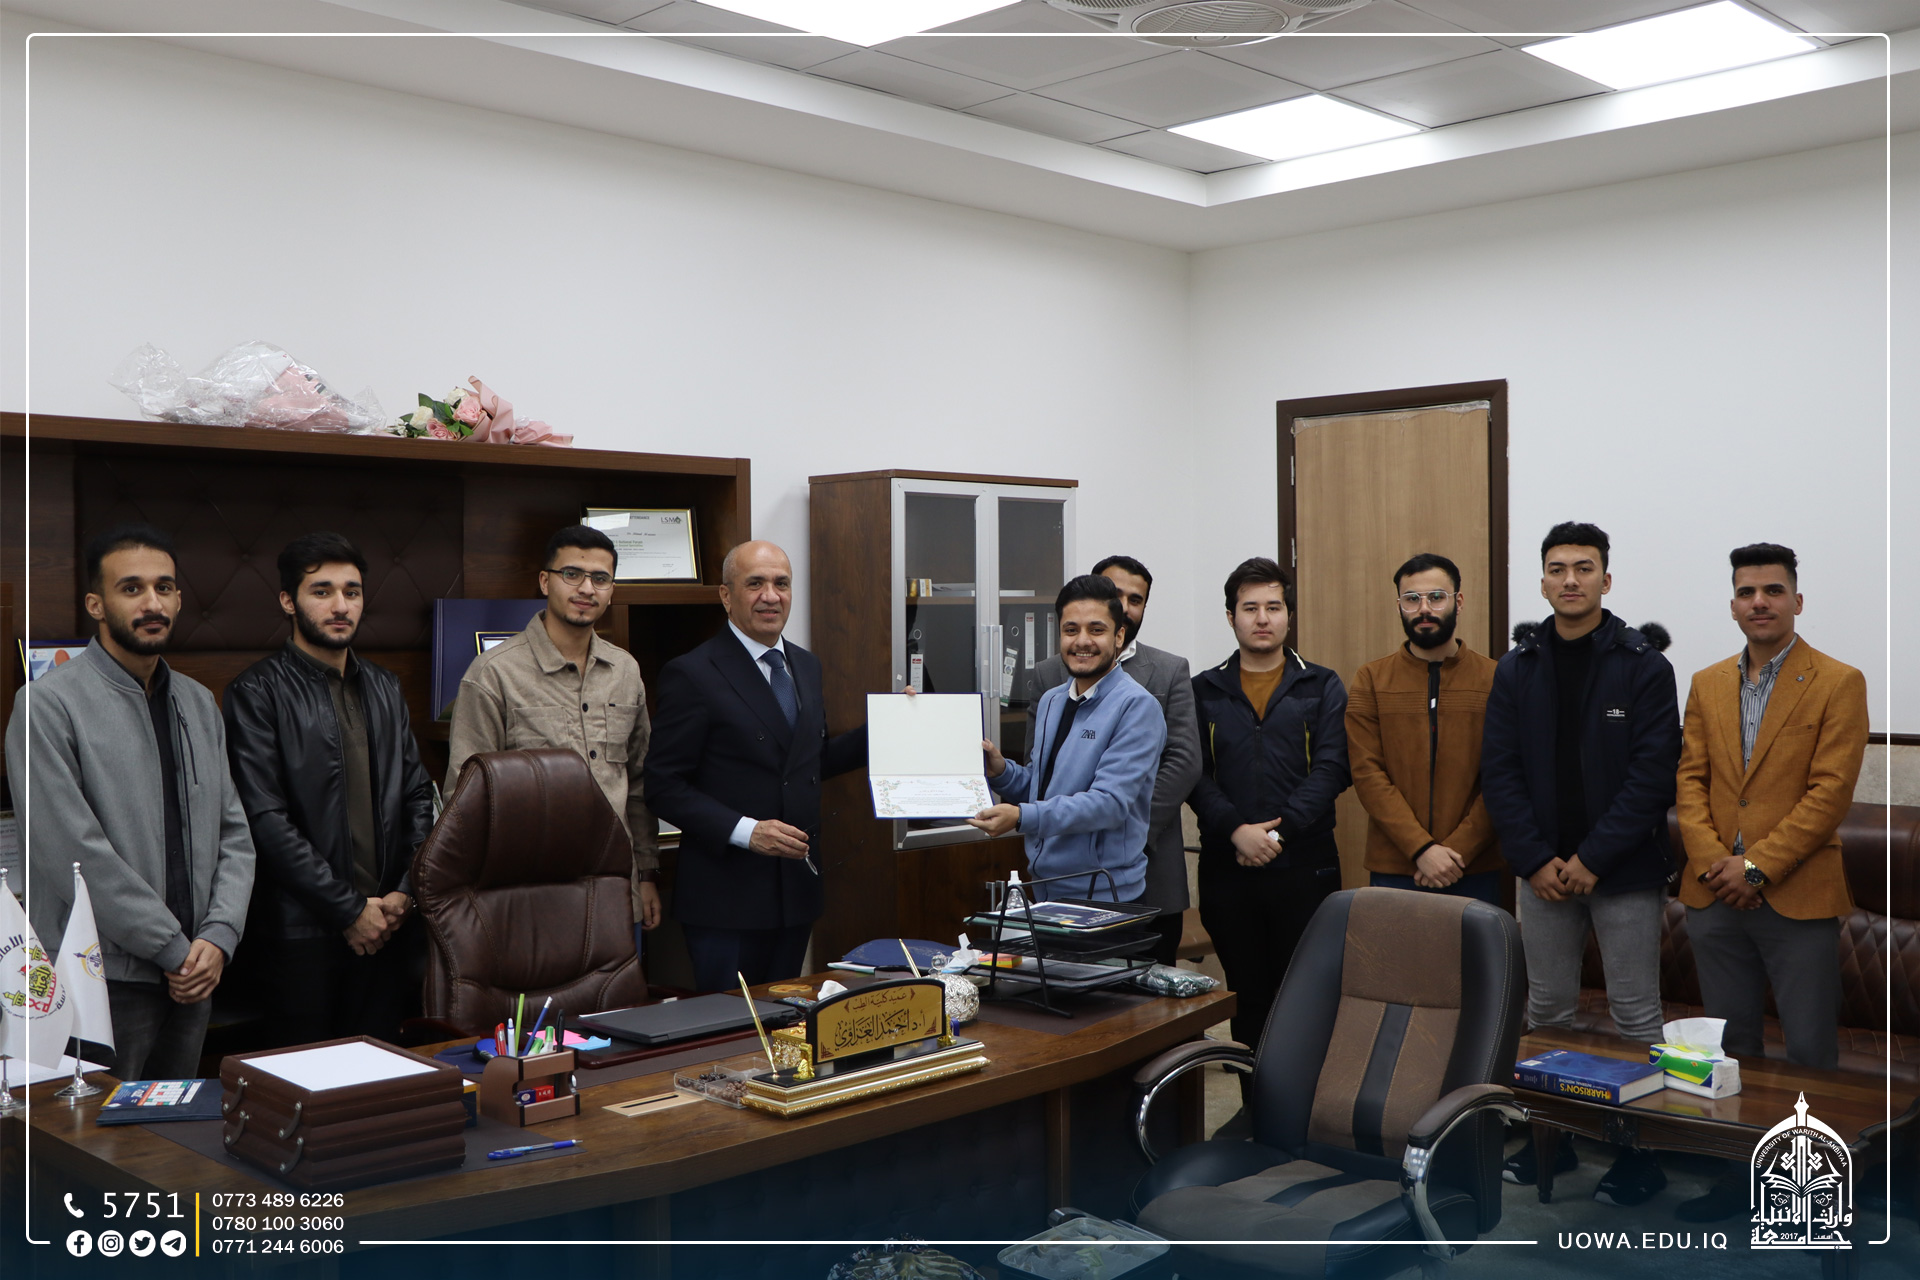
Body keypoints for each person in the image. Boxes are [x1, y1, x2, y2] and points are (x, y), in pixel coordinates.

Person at [4, 524, 255, 1079]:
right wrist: (174, 950)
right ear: (96, 604)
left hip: (196, 974)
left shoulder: (198, 702)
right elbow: (73, 852)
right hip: (98, 977)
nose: (152, 604)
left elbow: (235, 834)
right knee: (93, 1132)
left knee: (175, 1130)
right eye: (132, 588)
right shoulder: (47, 705)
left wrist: (218, 938)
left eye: (164, 588)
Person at [1480, 521, 1680, 1206]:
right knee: (1546, 1013)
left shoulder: (1643, 664)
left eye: (1584, 568)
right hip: (1541, 876)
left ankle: (1640, 1155)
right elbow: (1500, 771)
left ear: (1606, 579)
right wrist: (1534, 859)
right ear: (1542, 582)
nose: (1571, 580)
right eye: (1558, 569)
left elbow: (1653, 776)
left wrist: (1593, 857)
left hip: (1623, 872)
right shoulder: (1517, 667)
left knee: (1636, 1015)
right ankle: (1552, 1142)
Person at [1670, 544, 1867, 1221]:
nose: (1760, 602)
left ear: (1796, 601)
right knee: (1732, 1052)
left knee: (1809, 1053)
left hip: (1796, 896)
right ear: (1732, 604)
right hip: (1713, 896)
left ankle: (1810, 1196)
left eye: (1773, 590)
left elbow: (1829, 793)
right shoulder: (1706, 682)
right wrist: (1713, 862)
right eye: (1747, 591)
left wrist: (1755, 867)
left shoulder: (1838, 681)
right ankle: (1738, 1179)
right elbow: (1690, 780)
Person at [222, 532, 436, 1046]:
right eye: (322, 591)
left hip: (388, 926)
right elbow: (265, 820)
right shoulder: (256, 692)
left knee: (382, 1074)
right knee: (304, 1078)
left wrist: (405, 892)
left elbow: (417, 795)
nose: (341, 606)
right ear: (287, 600)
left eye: (352, 591)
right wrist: (349, 910)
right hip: (301, 936)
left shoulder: (384, 686)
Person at [644, 541, 867, 991]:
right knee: (732, 1025)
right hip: (726, 899)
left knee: (785, 1021)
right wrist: (747, 832)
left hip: (795, 891)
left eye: (781, 583)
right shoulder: (693, 673)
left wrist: (887, 729)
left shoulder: (806, 665)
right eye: (755, 584)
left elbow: (807, 761)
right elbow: (663, 785)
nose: (771, 596)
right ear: (726, 596)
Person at [448, 524, 661, 951]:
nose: (587, 589)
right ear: (545, 581)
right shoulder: (494, 673)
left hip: (618, 893)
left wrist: (647, 873)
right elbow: (465, 798)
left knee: (622, 997)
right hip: (529, 897)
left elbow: (639, 784)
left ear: (612, 590)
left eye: (600, 578)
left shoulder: (625, 671)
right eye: (572, 574)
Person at [1187, 558, 1349, 1060]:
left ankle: (1299, 1103)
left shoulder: (1321, 685)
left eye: (1273, 607)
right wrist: (1237, 830)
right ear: (1231, 616)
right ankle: (1252, 1099)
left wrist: (1278, 835)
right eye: (1250, 608)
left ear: (1289, 616)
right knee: (1247, 997)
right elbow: (1193, 773)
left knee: (1307, 999)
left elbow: (1333, 769)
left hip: (1305, 865)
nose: (1262, 618)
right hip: (1228, 867)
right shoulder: (1203, 690)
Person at [1033, 556, 1200, 962]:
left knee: (1133, 989)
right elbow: (1042, 777)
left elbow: (1183, 763)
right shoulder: (1051, 685)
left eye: (1134, 600)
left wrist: (1128, 830)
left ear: (1118, 631)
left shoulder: (1164, 674)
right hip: (1057, 880)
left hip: (1132, 873)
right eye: (1115, 594)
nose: (1125, 606)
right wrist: (999, 771)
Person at [971, 575, 1166, 904]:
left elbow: (1109, 804)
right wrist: (1002, 771)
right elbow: (1044, 788)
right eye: (1071, 630)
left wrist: (1021, 817)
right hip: (1046, 886)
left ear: (1119, 636)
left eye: (1097, 630)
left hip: (1105, 895)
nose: (1082, 641)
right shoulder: (1052, 700)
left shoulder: (1136, 706)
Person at [1346, 553, 1503, 903]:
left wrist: (1457, 850)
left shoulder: (1495, 678)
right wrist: (1421, 849)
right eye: (1412, 599)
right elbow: (1367, 773)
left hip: (1474, 865)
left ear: (1458, 602)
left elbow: (1504, 774)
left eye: (1436, 597)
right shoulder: (1371, 679)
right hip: (1397, 864)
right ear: (1399, 606)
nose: (1424, 609)